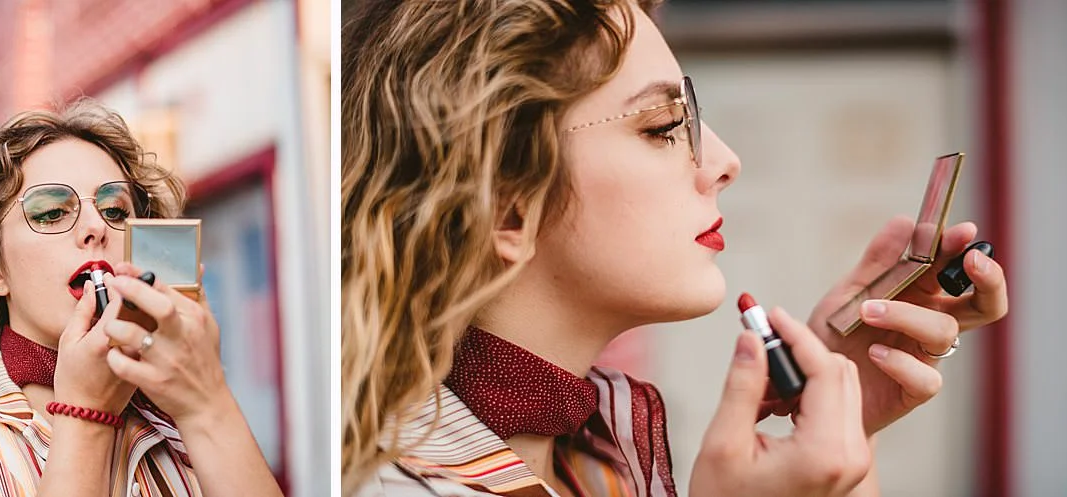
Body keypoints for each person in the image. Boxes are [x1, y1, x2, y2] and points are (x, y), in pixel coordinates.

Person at [339, 0, 1010, 496]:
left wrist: (844, 423)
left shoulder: (606, 448)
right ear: (505, 203)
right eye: (663, 127)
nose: (725, 160)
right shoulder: (391, 484)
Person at [0, 99, 283, 497]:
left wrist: (206, 402)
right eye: (51, 212)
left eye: (115, 210)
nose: (95, 227)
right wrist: (86, 415)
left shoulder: (180, 425)